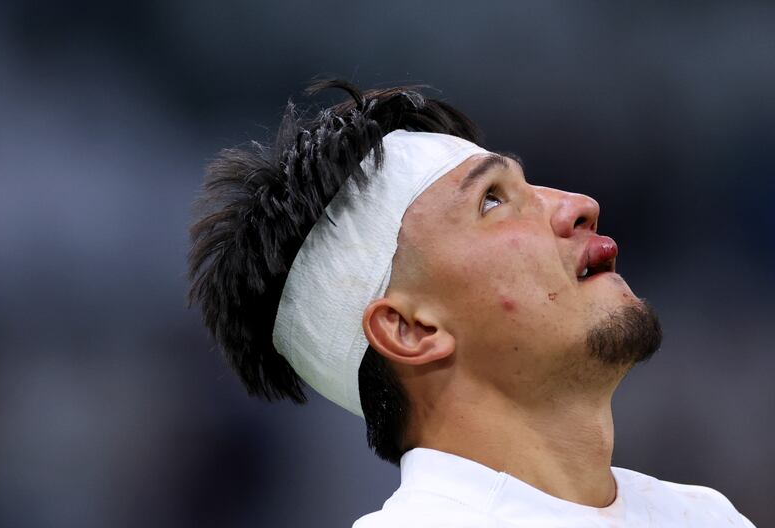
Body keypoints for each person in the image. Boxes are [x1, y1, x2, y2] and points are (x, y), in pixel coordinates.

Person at [187, 80, 755, 527]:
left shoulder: (708, 517)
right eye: (492, 201)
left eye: (529, 187)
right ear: (410, 329)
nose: (580, 205)